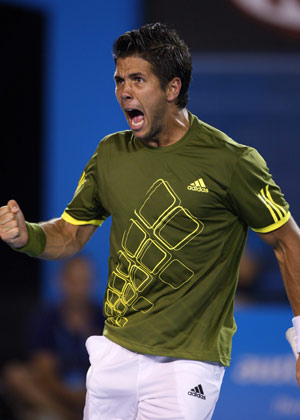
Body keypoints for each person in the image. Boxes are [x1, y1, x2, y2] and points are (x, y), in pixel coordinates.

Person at [0, 22, 300, 420]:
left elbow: (288, 243)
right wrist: (27, 237)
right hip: (115, 355)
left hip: (187, 364)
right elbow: (70, 235)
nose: (124, 91)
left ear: (172, 89)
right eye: (120, 79)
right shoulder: (110, 153)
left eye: (138, 79)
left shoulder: (232, 162)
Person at [2, 256, 105, 420]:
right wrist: (68, 396)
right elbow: (44, 372)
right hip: (55, 395)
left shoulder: (106, 320)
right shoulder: (44, 320)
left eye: (85, 282)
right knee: (15, 374)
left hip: (95, 394)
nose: (79, 289)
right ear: (60, 281)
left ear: (94, 283)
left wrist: (85, 395)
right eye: (74, 281)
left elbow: (110, 370)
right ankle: (69, 416)